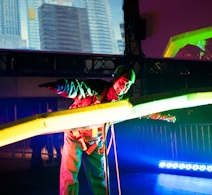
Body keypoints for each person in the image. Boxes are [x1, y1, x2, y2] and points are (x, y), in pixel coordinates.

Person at [38, 65, 175, 195]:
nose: (124, 88)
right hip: (75, 136)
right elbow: (79, 88)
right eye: (123, 83)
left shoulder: (122, 104)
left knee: (99, 178)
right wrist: (61, 86)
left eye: (128, 85)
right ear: (114, 79)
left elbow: (141, 111)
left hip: (95, 141)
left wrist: (164, 117)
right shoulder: (97, 88)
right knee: (69, 175)